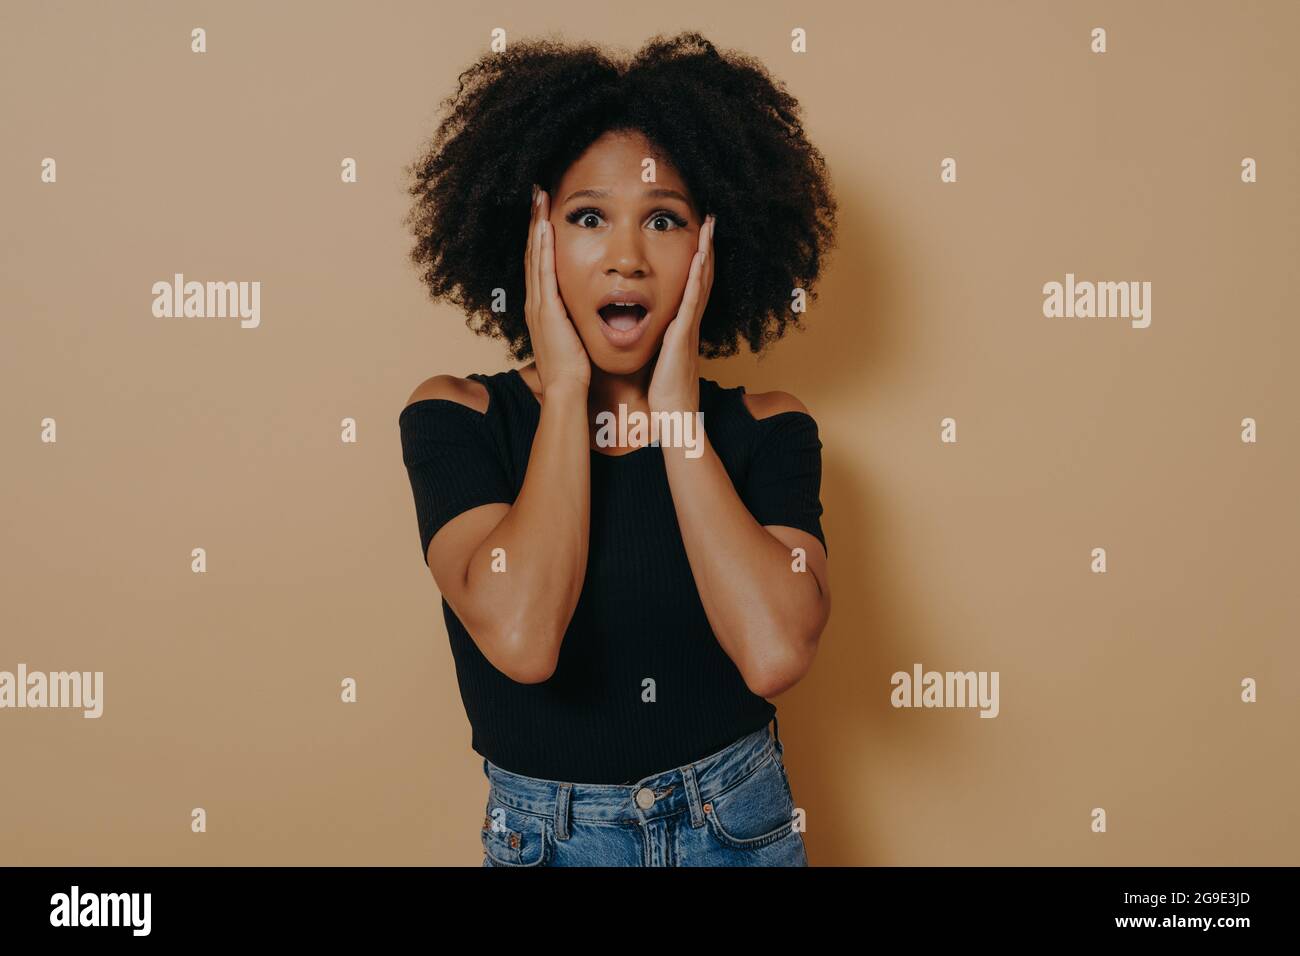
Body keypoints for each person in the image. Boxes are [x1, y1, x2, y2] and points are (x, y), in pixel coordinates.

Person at [398, 32, 837, 866]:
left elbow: (776, 652)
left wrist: (674, 413)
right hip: (549, 841)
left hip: (740, 827)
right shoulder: (457, 417)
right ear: (533, 240)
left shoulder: (768, 428)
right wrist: (564, 392)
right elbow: (525, 640)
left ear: (713, 246)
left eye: (663, 219)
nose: (627, 258)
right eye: (588, 218)